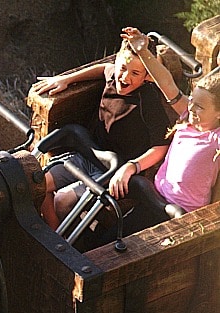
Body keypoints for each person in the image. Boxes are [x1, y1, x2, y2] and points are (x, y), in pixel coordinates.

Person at [32, 32, 173, 229]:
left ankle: (61, 239)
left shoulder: (147, 100)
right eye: (123, 68)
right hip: (88, 154)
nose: (124, 77)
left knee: (62, 200)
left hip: (113, 170)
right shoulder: (112, 76)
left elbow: (161, 145)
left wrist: (132, 166)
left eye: (135, 73)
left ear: (147, 77)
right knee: (39, 185)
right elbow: (102, 69)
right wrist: (67, 79)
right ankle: (55, 232)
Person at [105, 27, 220, 234]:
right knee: (112, 237)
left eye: (200, 107)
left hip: (181, 217)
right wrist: (143, 51)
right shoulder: (187, 116)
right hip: (154, 198)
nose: (192, 108)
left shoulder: (215, 139)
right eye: (192, 101)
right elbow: (166, 82)